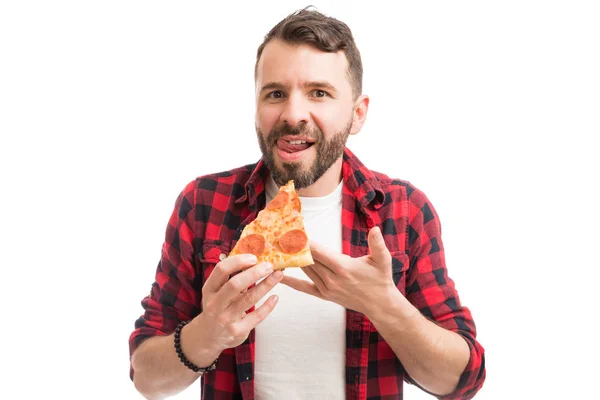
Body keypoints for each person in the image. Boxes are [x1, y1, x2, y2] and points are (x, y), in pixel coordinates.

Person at [129, 7, 486, 400]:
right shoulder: (203, 203)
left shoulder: (403, 210)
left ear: (357, 113)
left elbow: (462, 380)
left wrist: (384, 305)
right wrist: (206, 334)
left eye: (319, 92)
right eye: (276, 93)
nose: (293, 114)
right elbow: (146, 377)